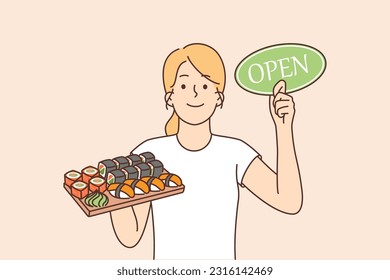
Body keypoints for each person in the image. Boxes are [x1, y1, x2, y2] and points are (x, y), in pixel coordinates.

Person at [110, 43, 303, 260]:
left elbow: (288, 201)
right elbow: (130, 236)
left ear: (218, 97)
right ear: (170, 97)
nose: (194, 93)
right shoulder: (149, 156)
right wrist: (112, 187)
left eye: (204, 86)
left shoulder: (234, 153)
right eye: (183, 86)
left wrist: (283, 128)